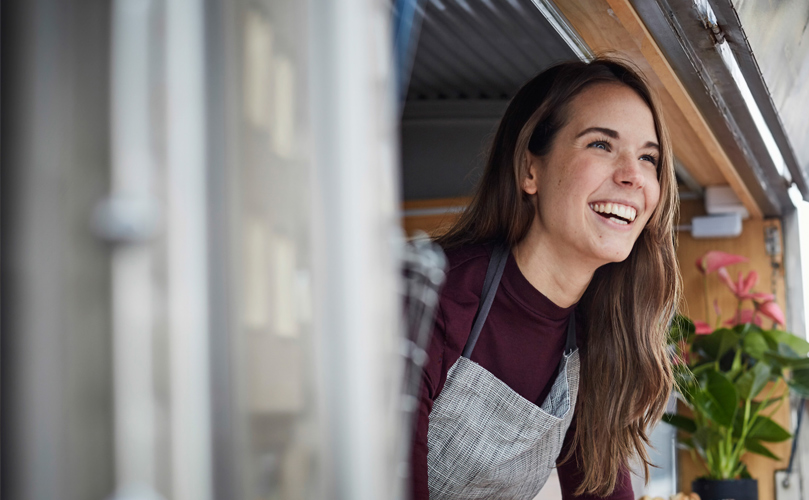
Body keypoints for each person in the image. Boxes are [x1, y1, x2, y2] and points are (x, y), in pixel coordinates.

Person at [410, 58, 682, 500]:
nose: (633, 175)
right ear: (529, 170)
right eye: (601, 145)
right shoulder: (432, 297)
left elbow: (599, 490)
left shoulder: (595, 339)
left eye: (648, 157)